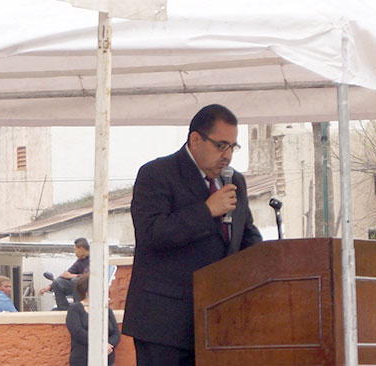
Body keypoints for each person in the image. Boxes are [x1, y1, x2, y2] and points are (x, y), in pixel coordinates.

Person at [122, 104, 263, 365]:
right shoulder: (157, 174)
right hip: (165, 325)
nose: (228, 156)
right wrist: (207, 210)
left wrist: (270, 261)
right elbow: (152, 233)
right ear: (196, 140)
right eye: (221, 146)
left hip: (218, 321)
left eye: (233, 147)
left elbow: (246, 236)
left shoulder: (235, 182)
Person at [66, 273, 121, 366]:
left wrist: (107, 346)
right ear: (87, 290)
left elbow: (116, 333)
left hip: (107, 360)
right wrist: (101, 344)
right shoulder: (74, 309)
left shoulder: (106, 310)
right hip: (83, 359)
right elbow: (77, 331)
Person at [39, 237, 90, 310]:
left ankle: (78, 307)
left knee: (75, 280)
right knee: (57, 282)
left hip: (89, 287)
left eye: (75, 249)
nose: (74, 252)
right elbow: (66, 275)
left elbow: (89, 275)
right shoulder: (79, 261)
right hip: (76, 285)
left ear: (81, 249)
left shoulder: (94, 258)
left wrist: (71, 276)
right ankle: (63, 308)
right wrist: (50, 286)